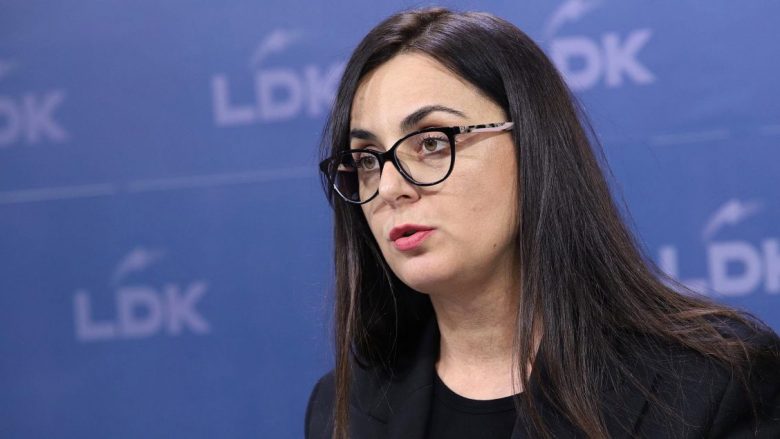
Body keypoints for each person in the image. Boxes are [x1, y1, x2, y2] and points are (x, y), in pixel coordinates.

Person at [305, 7, 780, 439]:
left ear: (533, 147)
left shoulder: (713, 384)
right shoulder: (339, 409)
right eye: (367, 159)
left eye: (431, 142)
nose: (390, 187)